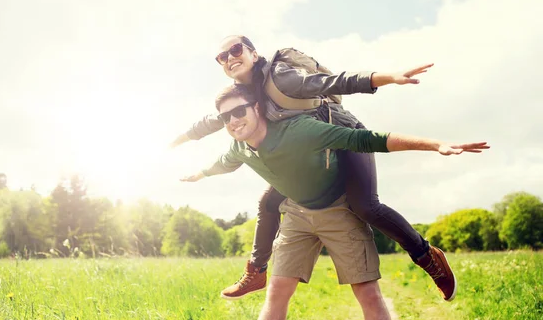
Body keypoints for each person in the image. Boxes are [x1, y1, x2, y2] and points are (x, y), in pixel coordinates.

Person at [171, 35, 456, 301]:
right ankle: (256, 273)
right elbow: (212, 121)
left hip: (341, 135)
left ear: (253, 53)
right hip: (308, 149)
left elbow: (331, 83)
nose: (229, 57)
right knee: (268, 202)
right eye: (222, 56)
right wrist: (174, 142)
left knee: (366, 207)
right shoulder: (241, 95)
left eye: (236, 50)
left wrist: (386, 78)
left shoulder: (281, 78)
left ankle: (426, 256)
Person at [181, 84, 489, 320]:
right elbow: (221, 163)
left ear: (258, 108)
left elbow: (366, 140)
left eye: (239, 111)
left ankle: (427, 256)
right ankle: (255, 271)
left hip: (340, 208)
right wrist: (198, 174)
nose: (233, 121)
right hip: (298, 215)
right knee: (276, 295)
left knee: (368, 294)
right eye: (225, 117)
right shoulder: (239, 148)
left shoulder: (297, 131)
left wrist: (436, 145)